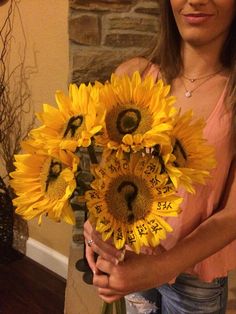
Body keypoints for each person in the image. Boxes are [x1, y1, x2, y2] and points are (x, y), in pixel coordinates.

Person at [84, 0, 236, 313]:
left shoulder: (231, 94)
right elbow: (111, 173)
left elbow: (234, 213)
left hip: (194, 274)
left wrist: (157, 268)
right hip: (129, 256)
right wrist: (96, 224)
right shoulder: (134, 75)